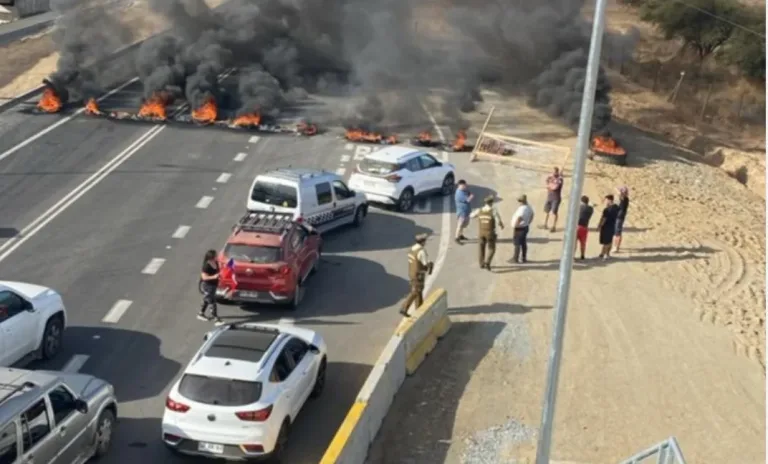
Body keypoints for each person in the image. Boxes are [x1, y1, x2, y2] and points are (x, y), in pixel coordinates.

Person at [400, 233, 433, 317]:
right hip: (419, 274)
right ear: (422, 242)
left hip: (411, 272)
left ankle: (419, 309)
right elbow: (425, 263)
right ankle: (404, 308)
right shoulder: (421, 251)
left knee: (419, 291)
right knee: (416, 291)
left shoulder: (412, 249)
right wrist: (430, 265)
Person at [470, 195, 504, 270]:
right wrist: (501, 225)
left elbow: (471, 216)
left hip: (481, 232)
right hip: (490, 233)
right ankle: (487, 262)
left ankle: (481, 264)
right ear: (492, 203)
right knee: (492, 249)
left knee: (481, 248)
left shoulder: (479, 210)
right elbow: (498, 221)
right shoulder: (493, 211)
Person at [199, 249, 223, 325]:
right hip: (208, 285)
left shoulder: (215, 262)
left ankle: (201, 313)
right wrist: (214, 277)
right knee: (212, 301)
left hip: (214, 285)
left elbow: (219, 269)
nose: (217, 256)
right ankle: (216, 319)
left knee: (207, 299)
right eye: (215, 255)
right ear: (211, 257)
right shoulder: (206, 266)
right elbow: (204, 277)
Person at [511, 194, 534, 263]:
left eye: (519, 201)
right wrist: (528, 222)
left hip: (519, 228)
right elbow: (532, 214)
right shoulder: (528, 207)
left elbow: (519, 217)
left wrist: (515, 225)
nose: (519, 202)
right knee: (523, 243)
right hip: (525, 227)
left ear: (521, 201)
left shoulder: (522, 209)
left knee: (517, 243)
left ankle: (515, 258)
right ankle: (524, 258)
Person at [597, 194, 620, 260]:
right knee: (609, 240)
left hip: (606, 226)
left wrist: (599, 226)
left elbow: (604, 219)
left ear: (609, 200)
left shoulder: (607, 209)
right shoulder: (616, 207)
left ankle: (604, 254)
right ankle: (605, 253)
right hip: (613, 225)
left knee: (606, 241)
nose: (605, 201)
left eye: (606, 200)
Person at [542, 167, 564, 232]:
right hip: (549, 197)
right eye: (552, 172)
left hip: (556, 198)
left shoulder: (560, 179)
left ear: (557, 172)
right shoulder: (551, 177)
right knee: (546, 211)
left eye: (554, 172)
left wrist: (550, 184)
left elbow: (554, 187)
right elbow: (546, 182)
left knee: (554, 212)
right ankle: (545, 224)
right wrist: (550, 181)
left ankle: (553, 226)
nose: (553, 173)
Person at [454, 180, 474, 244]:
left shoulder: (464, 190)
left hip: (466, 211)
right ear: (460, 185)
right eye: (464, 186)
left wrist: (470, 194)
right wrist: (471, 196)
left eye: (465, 185)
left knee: (464, 225)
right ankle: (456, 238)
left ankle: (461, 235)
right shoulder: (459, 193)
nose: (465, 186)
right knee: (460, 225)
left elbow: (469, 192)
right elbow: (468, 200)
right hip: (462, 212)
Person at [575, 195, 594, 260]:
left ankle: (572, 256)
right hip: (585, 227)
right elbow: (591, 207)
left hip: (577, 226)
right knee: (583, 243)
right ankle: (582, 255)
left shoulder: (579, 207)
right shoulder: (591, 209)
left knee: (574, 242)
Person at [613, 186, 630, 253]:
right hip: (619, 217)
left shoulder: (624, 199)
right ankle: (616, 246)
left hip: (619, 217)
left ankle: (616, 247)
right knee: (617, 232)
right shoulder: (624, 199)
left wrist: (618, 191)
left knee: (617, 233)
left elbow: (619, 194)